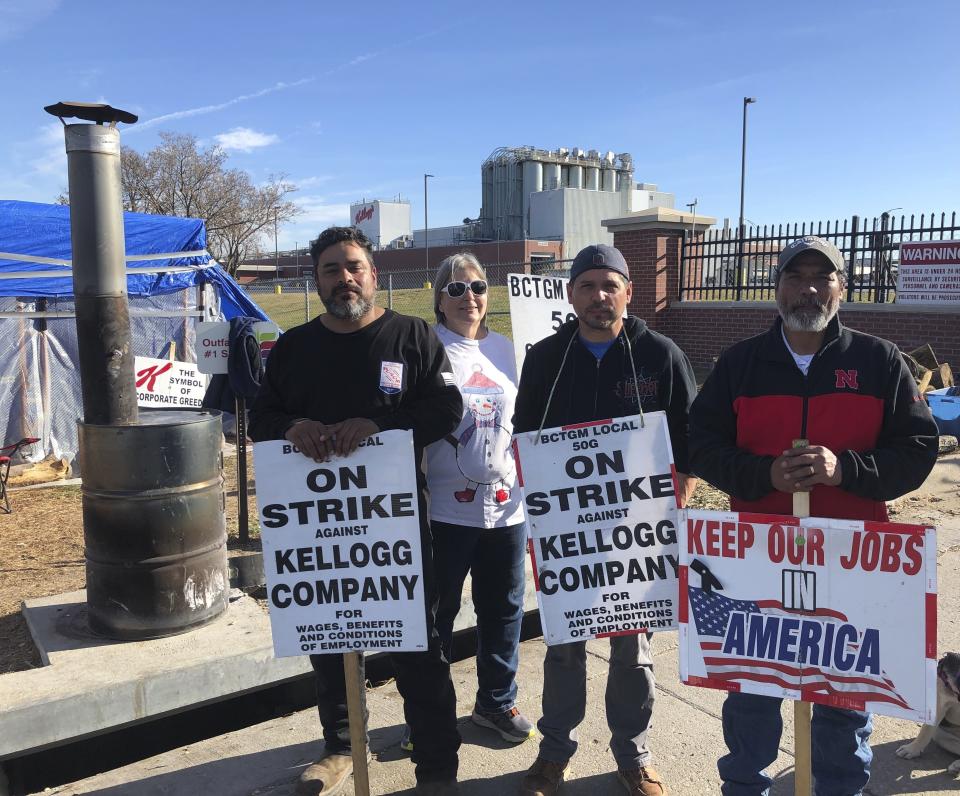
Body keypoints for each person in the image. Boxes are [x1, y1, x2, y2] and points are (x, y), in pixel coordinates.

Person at [688, 235, 940, 796]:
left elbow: (919, 448)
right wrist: (762, 476)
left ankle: (841, 789)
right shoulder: (741, 364)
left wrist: (844, 470)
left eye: (821, 277)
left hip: (851, 562)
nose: (807, 288)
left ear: (842, 289)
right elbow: (698, 444)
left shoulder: (878, 361)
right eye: (794, 276)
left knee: (843, 697)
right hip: (756, 561)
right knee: (753, 691)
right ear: (775, 288)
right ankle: (744, 788)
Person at [248, 226, 462, 796]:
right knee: (328, 642)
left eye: (354, 267)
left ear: (373, 272)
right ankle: (342, 746)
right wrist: (293, 428)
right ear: (315, 280)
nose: (345, 279)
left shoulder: (413, 336)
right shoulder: (293, 347)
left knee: (418, 647)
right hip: (317, 534)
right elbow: (260, 420)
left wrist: (382, 425)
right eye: (331, 270)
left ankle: (437, 768)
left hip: (395, 529)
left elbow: (446, 408)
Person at [513, 243, 699, 796]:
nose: (599, 296)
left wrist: (676, 501)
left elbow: (689, 439)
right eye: (588, 286)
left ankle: (633, 754)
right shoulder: (547, 357)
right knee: (564, 644)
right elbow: (527, 438)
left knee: (631, 647)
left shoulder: (660, 354)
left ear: (628, 292)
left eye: (609, 285)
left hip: (637, 532)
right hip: (570, 532)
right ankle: (554, 753)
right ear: (571, 294)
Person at [405, 253, 533, 750]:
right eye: (455, 289)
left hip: (507, 508)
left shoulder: (510, 351)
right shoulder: (426, 349)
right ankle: (428, 718)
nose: (468, 298)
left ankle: (495, 704)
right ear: (438, 298)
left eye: (477, 287)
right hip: (443, 510)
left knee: (503, 610)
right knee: (436, 616)